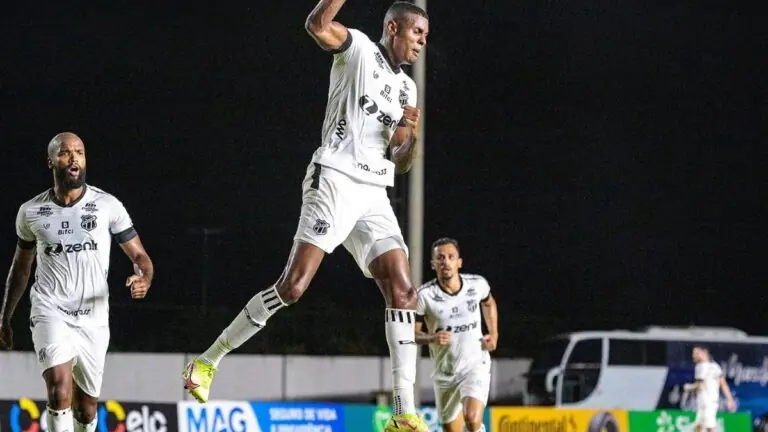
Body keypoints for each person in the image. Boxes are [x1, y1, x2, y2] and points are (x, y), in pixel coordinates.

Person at [182, 1, 429, 430]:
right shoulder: (359, 49)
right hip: (333, 178)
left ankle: (402, 413)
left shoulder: (408, 89)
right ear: (394, 28)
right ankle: (207, 361)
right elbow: (317, 24)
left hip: (374, 192)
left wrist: (414, 134)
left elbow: (402, 160)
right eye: (417, 34)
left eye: (426, 37)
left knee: (404, 291)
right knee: (293, 287)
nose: (423, 43)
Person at [0, 132, 154, 432]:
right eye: (65, 152)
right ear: (51, 161)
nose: (73, 157)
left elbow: (141, 257)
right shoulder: (31, 212)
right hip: (50, 310)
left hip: (93, 320)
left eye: (79, 152)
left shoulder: (108, 205)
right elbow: (21, 268)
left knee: (86, 410)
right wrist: (5, 317)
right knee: (59, 390)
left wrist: (143, 278)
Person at [414, 238, 498, 432]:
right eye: (440, 258)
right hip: (445, 372)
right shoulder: (424, 296)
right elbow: (412, 334)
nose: (446, 262)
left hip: (475, 364)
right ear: (433, 264)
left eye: (451, 257)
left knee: (472, 418)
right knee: (451, 429)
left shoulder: (477, 284)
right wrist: (431, 338)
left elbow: (489, 303)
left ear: (459, 262)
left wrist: (494, 334)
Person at [684, 346, 737, 432]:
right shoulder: (712, 366)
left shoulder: (706, 367)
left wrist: (689, 387)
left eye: (696, 353)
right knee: (699, 428)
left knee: (710, 427)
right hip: (703, 402)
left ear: (704, 352)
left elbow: (700, 385)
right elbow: (723, 384)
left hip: (708, 403)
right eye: (693, 354)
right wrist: (730, 399)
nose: (694, 356)